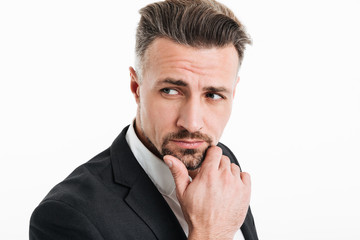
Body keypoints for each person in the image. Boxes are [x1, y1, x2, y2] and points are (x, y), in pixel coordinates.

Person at [29, 0, 258, 239]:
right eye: (171, 91)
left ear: (233, 93)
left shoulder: (221, 164)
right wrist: (211, 233)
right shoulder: (65, 217)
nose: (192, 123)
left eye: (213, 95)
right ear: (136, 86)